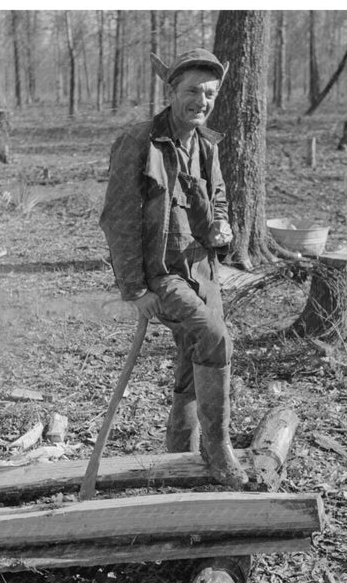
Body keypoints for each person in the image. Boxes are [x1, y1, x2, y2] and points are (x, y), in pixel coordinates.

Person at [100, 48, 248, 488]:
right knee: (215, 337)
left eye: (208, 94)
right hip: (161, 275)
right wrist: (134, 289)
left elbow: (218, 200)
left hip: (202, 269)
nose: (200, 102)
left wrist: (222, 228)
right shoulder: (139, 140)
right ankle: (218, 447)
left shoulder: (207, 144)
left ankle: (179, 460)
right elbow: (118, 218)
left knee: (194, 358)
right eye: (191, 92)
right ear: (171, 92)